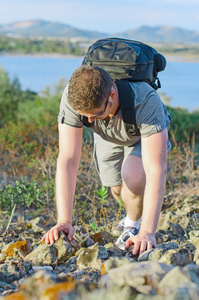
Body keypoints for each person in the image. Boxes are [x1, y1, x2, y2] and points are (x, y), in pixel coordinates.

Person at [42, 65, 171, 255]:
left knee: (133, 177)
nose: (89, 121)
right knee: (117, 188)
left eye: (94, 115)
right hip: (107, 135)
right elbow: (68, 160)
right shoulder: (73, 96)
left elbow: (156, 169)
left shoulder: (145, 101)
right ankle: (132, 213)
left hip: (140, 133)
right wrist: (64, 221)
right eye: (84, 117)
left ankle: (132, 225)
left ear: (112, 94)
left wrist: (147, 233)